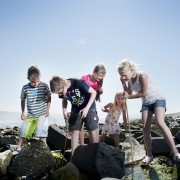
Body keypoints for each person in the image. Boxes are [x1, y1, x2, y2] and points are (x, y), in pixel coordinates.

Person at [117, 58, 180, 166]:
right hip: (146, 103)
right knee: (145, 128)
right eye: (121, 75)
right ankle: (149, 155)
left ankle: (176, 153)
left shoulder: (142, 76)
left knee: (159, 122)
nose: (122, 77)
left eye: (124, 74)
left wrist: (129, 96)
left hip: (158, 99)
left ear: (131, 70)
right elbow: (128, 92)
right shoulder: (127, 80)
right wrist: (123, 83)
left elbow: (144, 93)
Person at [50, 76, 99, 155]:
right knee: (74, 130)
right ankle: (73, 157)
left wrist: (86, 109)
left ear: (65, 84)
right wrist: (64, 111)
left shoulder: (78, 83)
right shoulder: (62, 90)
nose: (60, 94)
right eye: (58, 93)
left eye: (60, 92)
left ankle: (96, 154)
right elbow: (64, 100)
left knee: (91, 129)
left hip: (89, 107)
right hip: (76, 109)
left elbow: (94, 93)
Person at [13, 66, 51, 155]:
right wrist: (23, 112)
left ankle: (44, 149)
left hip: (42, 114)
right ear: (28, 78)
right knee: (24, 131)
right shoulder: (25, 87)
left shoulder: (44, 86)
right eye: (33, 82)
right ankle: (19, 148)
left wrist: (47, 110)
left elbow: (49, 98)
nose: (36, 84)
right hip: (30, 114)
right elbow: (23, 99)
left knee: (42, 132)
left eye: (38, 81)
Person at [80, 64, 106, 145]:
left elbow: (100, 91)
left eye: (102, 76)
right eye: (98, 75)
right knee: (80, 124)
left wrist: (99, 89)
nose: (99, 77)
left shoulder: (98, 83)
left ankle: (94, 145)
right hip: (81, 103)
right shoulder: (85, 78)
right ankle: (81, 144)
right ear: (93, 72)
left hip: (91, 105)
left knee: (93, 125)